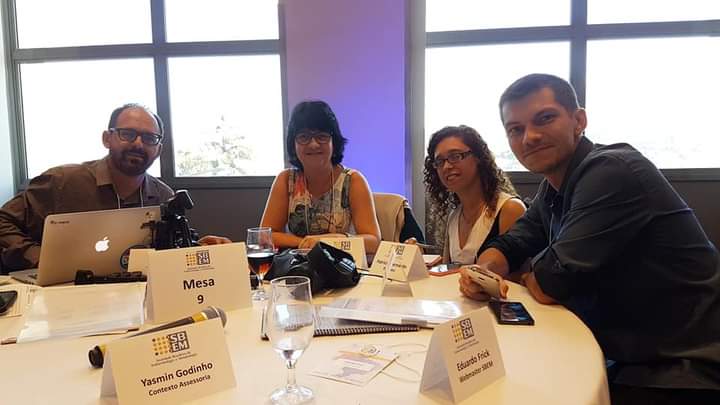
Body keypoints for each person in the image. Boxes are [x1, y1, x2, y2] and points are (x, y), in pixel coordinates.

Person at [459, 73, 720, 403]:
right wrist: (484, 273)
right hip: (623, 352)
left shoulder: (611, 171)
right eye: (516, 129)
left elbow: (552, 284)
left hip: (681, 366)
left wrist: (531, 275)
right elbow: (513, 242)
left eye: (545, 118)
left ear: (579, 120)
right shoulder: (552, 187)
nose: (530, 137)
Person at [0, 104, 225, 272]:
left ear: (158, 150)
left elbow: (169, 256)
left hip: (137, 299)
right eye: (127, 134)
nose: (138, 143)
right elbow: (3, 221)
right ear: (107, 139)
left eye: (149, 138)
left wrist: (199, 248)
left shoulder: (163, 196)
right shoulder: (62, 181)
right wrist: (38, 258)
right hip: (62, 295)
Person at [261, 100, 381, 253]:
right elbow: (265, 236)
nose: (313, 144)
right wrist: (307, 243)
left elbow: (373, 241)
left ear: (334, 142)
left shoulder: (353, 181)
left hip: (340, 264)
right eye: (304, 137)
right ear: (293, 144)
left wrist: (329, 241)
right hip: (297, 264)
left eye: (321, 136)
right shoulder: (286, 180)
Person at [422, 125, 525, 264]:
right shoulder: (454, 216)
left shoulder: (510, 209)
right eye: (440, 161)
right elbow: (447, 270)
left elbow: (523, 274)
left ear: (478, 157)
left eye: (455, 156)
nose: (446, 166)